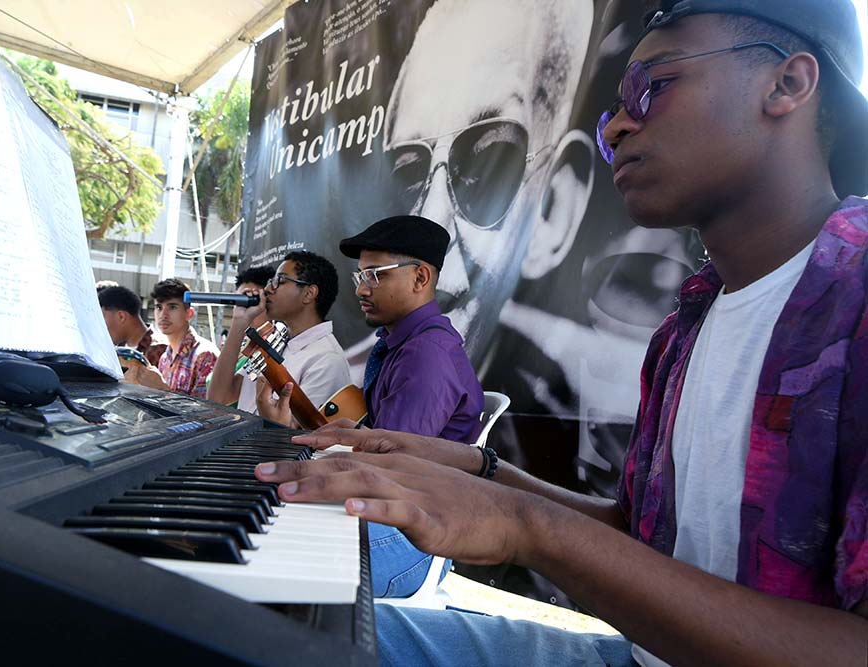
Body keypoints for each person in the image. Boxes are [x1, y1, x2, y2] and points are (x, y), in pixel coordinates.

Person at [255, 1, 868, 665]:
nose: (620, 127)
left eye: (651, 87)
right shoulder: (685, 330)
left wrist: (526, 524)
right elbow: (638, 536)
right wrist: (483, 470)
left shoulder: (854, 299)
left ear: (788, 84)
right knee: (275, 633)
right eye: (613, 107)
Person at [362, 0, 596, 359]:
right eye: (408, 174)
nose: (431, 222)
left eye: (487, 162)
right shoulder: (360, 381)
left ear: (554, 208)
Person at [338, 214, 485, 598]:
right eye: (360, 276)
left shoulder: (425, 354)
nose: (361, 290)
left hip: (412, 542)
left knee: (282, 555)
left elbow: (392, 466)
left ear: (420, 278)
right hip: (394, 519)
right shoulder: (404, 344)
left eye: (376, 275)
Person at [208, 253, 351, 423]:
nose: (268, 289)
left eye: (280, 281)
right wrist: (239, 322)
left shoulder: (327, 359)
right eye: (271, 282)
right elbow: (218, 398)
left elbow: (299, 435)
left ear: (309, 294)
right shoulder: (276, 340)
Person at [125, 278, 219, 399]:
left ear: (189, 313)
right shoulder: (165, 358)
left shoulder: (205, 355)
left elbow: (206, 412)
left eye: (172, 307)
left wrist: (161, 389)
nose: (163, 315)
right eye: (159, 307)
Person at [204, 265, 275, 402]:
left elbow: (220, 398)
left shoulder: (272, 347)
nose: (244, 307)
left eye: (251, 300)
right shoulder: (241, 344)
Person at [97, 284, 167, 367]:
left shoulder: (160, 351)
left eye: (103, 321)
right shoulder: (113, 351)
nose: (100, 328)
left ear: (121, 316)